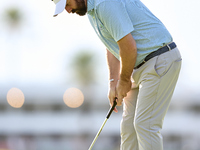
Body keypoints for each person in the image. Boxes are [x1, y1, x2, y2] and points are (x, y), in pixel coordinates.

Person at [52, 0, 182, 149]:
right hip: (138, 66)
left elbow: (128, 47)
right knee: (128, 128)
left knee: (145, 124)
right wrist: (114, 82)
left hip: (159, 59)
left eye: (67, 4)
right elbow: (113, 43)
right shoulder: (92, 10)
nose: (68, 10)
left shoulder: (104, 3)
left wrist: (124, 80)